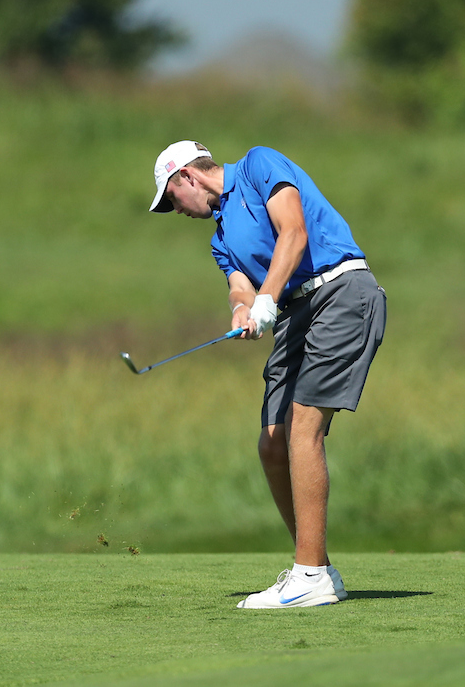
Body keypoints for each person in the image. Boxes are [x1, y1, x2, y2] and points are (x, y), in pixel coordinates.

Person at [148, 140, 386, 609]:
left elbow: (293, 233)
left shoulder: (259, 165)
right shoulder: (220, 240)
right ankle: (315, 565)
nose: (176, 210)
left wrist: (267, 299)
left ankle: (310, 575)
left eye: (172, 199)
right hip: (296, 313)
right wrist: (243, 310)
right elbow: (240, 286)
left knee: (303, 427)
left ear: (187, 178)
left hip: (341, 292)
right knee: (273, 440)